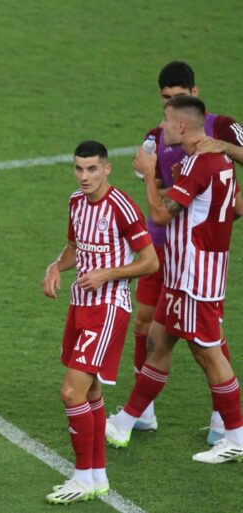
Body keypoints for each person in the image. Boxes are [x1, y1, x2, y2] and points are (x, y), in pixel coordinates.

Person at [106, 96, 243, 464]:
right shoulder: (220, 160)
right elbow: (232, 208)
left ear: (182, 125)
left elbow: (160, 216)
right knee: (160, 339)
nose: (161, 126)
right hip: (191, 272)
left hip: (193, 278)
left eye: (166, 119)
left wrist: (150, 173)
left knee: (208, 354)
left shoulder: (200, 164)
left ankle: (235, 436)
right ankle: (125, 422)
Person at [41, 141, 158, 504]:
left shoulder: (122, 207)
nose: (84, 176)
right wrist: (55, 266)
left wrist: (108, 273)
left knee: (70, 392)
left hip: (108, 308)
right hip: (79, 306)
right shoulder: (76, 202)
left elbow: (150, 261)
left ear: (107, 169)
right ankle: (96, 477)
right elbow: (74, 248)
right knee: (90, 392)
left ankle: (80, 477)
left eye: (92, 169)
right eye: (79, 168)